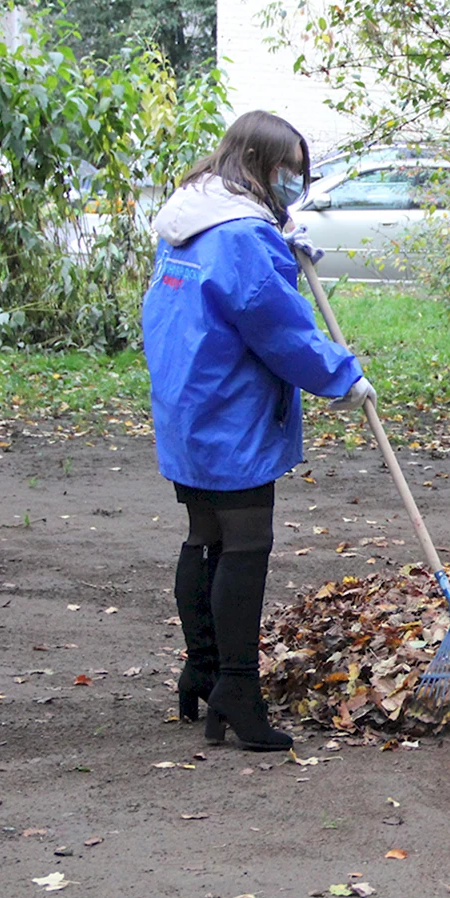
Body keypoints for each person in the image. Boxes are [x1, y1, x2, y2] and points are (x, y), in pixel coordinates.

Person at [142, 111, 375, 751]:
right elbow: (273, 323)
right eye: (289, 174)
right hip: (229, 405)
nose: (292, 186)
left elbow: (227, 295)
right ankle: (238, 689)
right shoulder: (241, 233)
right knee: (246, 543)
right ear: (264, 166)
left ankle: (205, 668)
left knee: (205, 536)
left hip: (189, 398)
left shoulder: (192, 215)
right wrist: (342, 374)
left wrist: (286, 249)